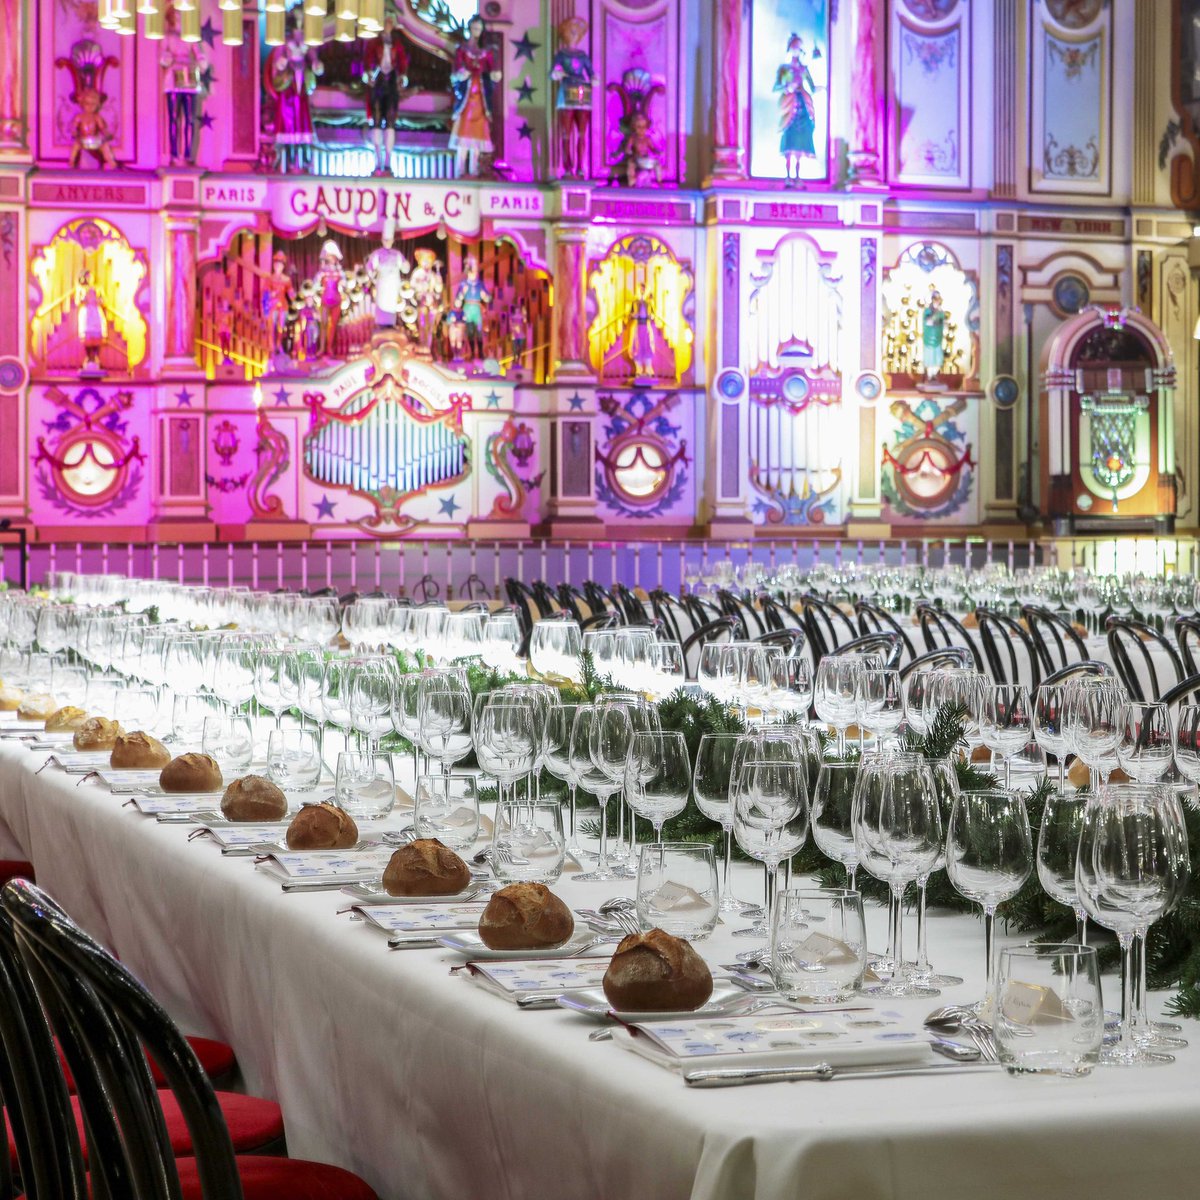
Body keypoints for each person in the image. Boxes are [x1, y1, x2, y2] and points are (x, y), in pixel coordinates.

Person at [264, 21, 323, 173]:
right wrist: (284, 61)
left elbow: (315, 62)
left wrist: (315, 64)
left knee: (302, 120)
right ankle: (290, 160)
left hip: (301, 83)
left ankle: (303, 159)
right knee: (289, 121)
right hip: (289, 84)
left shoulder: (308, 40)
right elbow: (278, 64)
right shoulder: (285, 41)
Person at [448, 15, 500, 178]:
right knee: (463, 132)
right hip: (466, 95)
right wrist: (462, 73)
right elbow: (456, 70)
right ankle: (460, 170)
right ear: (470, 28)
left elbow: (493, 71)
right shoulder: (462, 49)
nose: (476, 31)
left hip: (481, 97)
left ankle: (474, 170)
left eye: (479, 28)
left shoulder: (487, 52)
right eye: (474, 28)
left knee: (478, 134)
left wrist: (495, 75)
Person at [362, 12, 409, 177]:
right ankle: (377, 160)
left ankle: (388, 161)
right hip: (378, 82)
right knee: (376, 120)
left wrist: (402, 76)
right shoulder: (374, 42)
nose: (387, 24)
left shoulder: (397, 43)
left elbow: (403, 62)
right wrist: (368, 74)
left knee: (390, 121)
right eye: (385, 21)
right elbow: (367, 60)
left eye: (390, 22)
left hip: (391, 83)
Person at [160, 11, 207, 166]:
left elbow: (199, 54)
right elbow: (163, 56)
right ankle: (174, 154)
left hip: (188, 75)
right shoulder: (168, 35)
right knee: (174, 118)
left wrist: (201, 62)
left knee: (190, 119)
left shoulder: (190, 35)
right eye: (176, 14)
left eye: (181, 14)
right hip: (173, 76)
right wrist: (168, 59)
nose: (179, 17)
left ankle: (188, 154)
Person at [550, 17, 593, 178]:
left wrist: (594, 78)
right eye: (570, 32)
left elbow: (591, 72)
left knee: (582, 133)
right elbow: (553, 72)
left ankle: (581, 166)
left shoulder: (583, 55)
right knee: (566, 133)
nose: (573, 35)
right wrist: (557, 73)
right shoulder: (561, 55)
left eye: (576, 32)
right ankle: (567, 166)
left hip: (581, 92)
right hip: (566, 91)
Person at [774, 33, 818, 186]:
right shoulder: (785, 69)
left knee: (800, 144)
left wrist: (824, 87)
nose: (796, 51)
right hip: (789, 106)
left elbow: (812, 87)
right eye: (794, 48)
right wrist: (787, 87)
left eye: (799, 48)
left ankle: (798, 176)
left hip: (802, 107)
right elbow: (776, 86)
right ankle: (788, 176)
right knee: (789, 142)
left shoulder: (803, 69)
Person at [366, 219, 409, 328]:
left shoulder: (397, 254)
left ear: (393, 240)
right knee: (382, 304)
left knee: (391, 305)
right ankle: (381, 326)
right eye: (385, 240)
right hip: (382, 283)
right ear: (382, 240)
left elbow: (405, 269)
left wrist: (406, 265)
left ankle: (390, 325)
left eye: (389, 240)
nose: (387, 242)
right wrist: (373, 277)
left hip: (393, 283)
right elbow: (369, 267)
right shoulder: (377, 253)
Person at [453, 256, 492, 359]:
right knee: (470, 331)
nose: (474, 272)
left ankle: (480, 352)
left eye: (475, 270)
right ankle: (472, 352)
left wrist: (484, 295)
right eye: (473, 269)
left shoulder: (480, 284)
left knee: (479, 331)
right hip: (468, 309)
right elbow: (457, 302)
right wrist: (462, 293)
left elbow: (488, 298)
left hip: (477, 308)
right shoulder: (463, 284)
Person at [409, 248, 444, 353]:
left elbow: (438, 289)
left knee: (431, 326)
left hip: (431, 302)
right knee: (422, 324)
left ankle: (428, 347)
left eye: (428, 261)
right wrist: (421, 285)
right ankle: (422, 345)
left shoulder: (433, 274)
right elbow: (412, 286)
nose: (426, 263)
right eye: (424, 260)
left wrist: (439, 281)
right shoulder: (417, 273)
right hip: (421, 300)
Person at [315, 241, 345, 356]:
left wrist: (342, 278)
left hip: (336, 300)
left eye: (332, 256)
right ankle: (321, 348)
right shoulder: (322, 271)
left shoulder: (339, 271)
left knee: (332, 326)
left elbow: (345, 283)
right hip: (325, 300)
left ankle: (329, 348)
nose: (330, 259)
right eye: (328, 256)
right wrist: (320, 274)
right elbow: (315, 284)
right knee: (323, 324)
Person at [76, 271, 106, 375]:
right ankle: (88, 358)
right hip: (86, 314)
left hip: (96, 313)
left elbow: (103, 301)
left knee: (97, 336)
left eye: (90, 277)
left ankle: (96, 358)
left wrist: (97, 300)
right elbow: (78, 301)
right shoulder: (81, 289)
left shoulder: (98, 288)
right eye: (87, 277)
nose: (89, 279)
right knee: (87, 337)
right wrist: (85, 298)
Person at [921, 290, 947, 380]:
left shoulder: (941, 311)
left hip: (938, 336)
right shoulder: (927, 311)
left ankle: (934, 375)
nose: (937, 300)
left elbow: (942, 322)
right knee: (929, 356)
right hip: (929, 337)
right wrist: (934, 316)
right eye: (935, 298)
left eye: (938, 298)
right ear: (932, 299)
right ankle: (929, 375)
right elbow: (927, 321)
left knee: (937, 356)